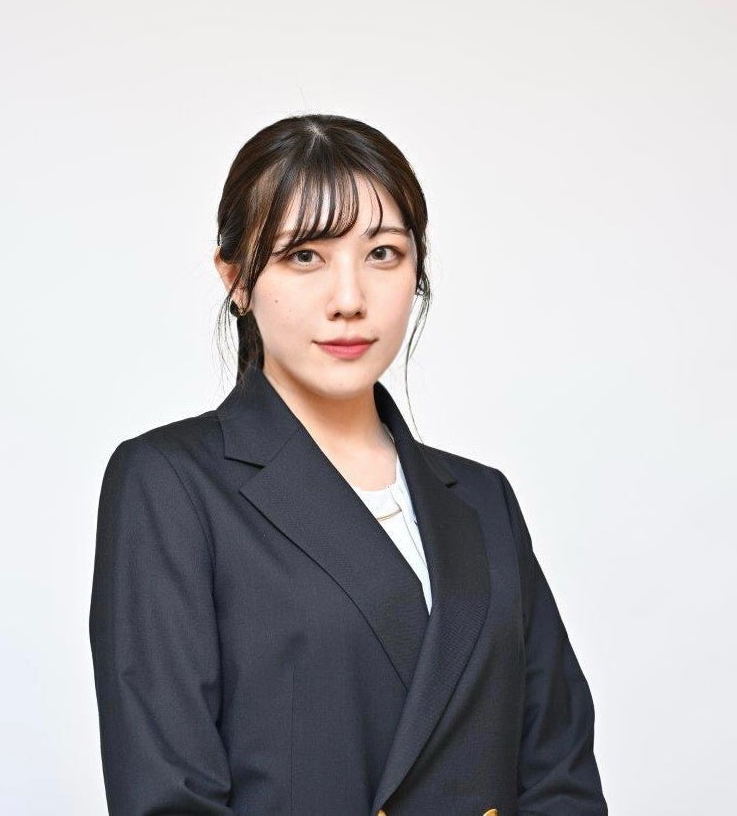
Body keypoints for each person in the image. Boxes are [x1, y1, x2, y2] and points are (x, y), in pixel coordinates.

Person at [89, 114, 607, 815]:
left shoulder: (483, 499)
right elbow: (168, 796)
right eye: (305, 256)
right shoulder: (169, 484)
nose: (350, 299)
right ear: (236, 278)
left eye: (383, 253)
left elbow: (559, 775)